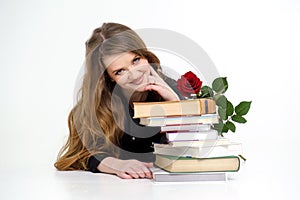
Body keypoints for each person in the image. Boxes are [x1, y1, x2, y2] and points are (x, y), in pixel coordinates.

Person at [54, 22, 184, 179]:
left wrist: (174, 105)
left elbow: (193, 150)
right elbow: (81, 154)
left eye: (136, 60)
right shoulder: (100, 105)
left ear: (145, 55)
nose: (135, 75)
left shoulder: (175, 88)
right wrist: (116, 165)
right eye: (120, 71)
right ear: (108, 79)